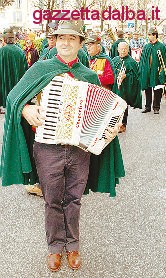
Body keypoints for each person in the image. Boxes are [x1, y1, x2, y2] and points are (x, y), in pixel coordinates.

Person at [0, 20, 125, 272]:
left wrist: (110, 126)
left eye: (71, 39)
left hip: (79, 149)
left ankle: (73, 245)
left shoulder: (88, 75)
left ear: (80, 44)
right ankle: (55, 248)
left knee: (74, 199)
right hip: (47, 146)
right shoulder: (41, 68)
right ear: (55, 41)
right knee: (52, 199)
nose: (65, 42)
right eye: (61, 38)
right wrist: (26, 108)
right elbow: (13, 96)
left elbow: (103, 112)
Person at [112, 42, 142, 132]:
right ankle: (114, 124)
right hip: (116, 87)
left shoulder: (131, 62)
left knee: (123, 105)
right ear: (118, 49)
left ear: (128, 49)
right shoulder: (114, 60)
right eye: (121, 48)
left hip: (125, 88)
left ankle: (123, 124)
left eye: (125, 48)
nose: (123, 50)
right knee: (115, 105)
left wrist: (127, 76)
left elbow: (136, 77)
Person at [0, 29, 28, 114]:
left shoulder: (1, 51)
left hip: (4, 81)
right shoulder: (20, 51)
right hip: (17, 82)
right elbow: (25, 69)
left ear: (4, 40)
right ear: (14, 39)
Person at [140, 27, 166, 114]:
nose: (149, 37)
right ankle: (147, 107)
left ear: (155, 35)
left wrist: (162, 71)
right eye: (148, 35)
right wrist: (142, 70)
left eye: (150, 35)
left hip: (157, 71)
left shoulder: (161, 46)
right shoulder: (147, 46)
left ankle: (156, 107)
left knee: (157, 89)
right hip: (148, 71)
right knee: (147, 89)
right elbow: (142, 59)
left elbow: (164, 61)